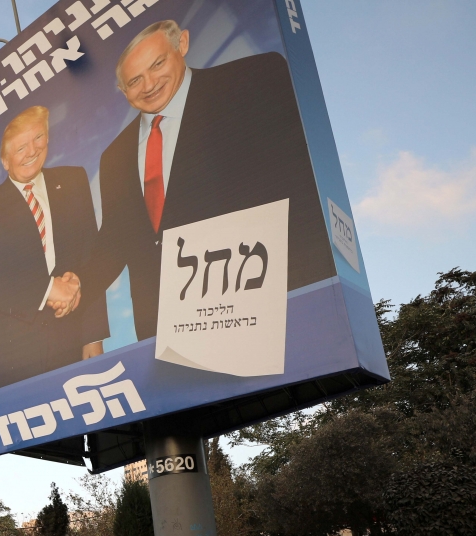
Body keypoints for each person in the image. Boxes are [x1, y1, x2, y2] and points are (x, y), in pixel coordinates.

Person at [74, 20, 336, 341]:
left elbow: (297, 182)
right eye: (134, 80)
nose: (149, 84)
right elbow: (115, 240)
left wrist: (314, 296)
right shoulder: (113, 157)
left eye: (158, 64)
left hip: (259, 304)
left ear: (182, 45)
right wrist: (76, 287)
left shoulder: (252, 80)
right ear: (123, 91)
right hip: (164, 332)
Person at [0, 105, 109, 393]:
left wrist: (93, 335)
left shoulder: (74, 181)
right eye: (20, 147)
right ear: (4, 160)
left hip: (71, 346)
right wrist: (48, 290)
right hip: (14, 362)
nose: (32, 151)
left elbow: (91, 255)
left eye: (39, 138)